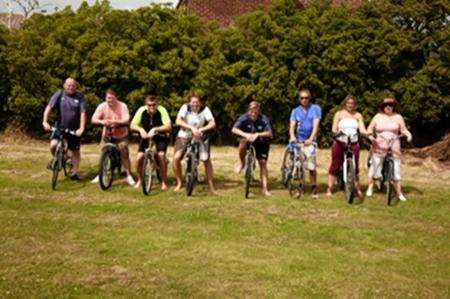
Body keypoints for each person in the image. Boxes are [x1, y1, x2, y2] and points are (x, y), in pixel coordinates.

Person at [366, 97, 412, 201]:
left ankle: (399, 193)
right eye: (386, 105)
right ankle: (370, 187)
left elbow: (404, 130)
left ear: (393, 106)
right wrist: (371, 137)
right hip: (379, 144)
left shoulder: (398, 117)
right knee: (375, 166)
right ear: (382, 107)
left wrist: (409, 135)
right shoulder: (377, 116)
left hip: (394, 144)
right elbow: (369, 129)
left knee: (396, 170)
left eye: (390, 105)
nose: (388, 107)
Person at [42, 78, 86, 180]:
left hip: (74, 129)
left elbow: (83, 113)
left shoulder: (80, 97)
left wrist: (81, 128)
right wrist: (45, 121)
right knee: (53, 145)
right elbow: (49, 107)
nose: (71, 87)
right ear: (64, 85)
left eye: (73, 85)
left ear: (76, 87)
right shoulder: (59, 94)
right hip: (60, 126)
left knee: (75, 151)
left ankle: (74, 173)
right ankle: (59, 159)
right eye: (68, 85)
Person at [173, 94, 217, 193]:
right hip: (184, 135)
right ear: (189, 103)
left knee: (206, 159)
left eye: (197, 102)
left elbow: (212, 123)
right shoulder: (185, 107)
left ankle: (211, 185)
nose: (195, 104)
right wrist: (191, 128)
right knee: (176, 158)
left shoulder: (205, 109)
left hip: (199, 136)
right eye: (193, 102)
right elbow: (178, 120)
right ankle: (179, 183)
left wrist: (202, 129)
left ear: (200, 103)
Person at [91, 89, 135, 186]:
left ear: (116, 97)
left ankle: (128, 175)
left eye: (112, 98)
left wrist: (116, 122)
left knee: (124, 152)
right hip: (107, 134)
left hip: (121, 134)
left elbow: (127, 119)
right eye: (108, 98)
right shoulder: (102, 106)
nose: (109, 100)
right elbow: (93, 119)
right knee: (103, 153)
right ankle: (101, 174)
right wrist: (101, 122)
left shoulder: (122, 106)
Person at [327, 95, 367, 197]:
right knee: (335, 165)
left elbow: (362, 128)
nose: (350, 105)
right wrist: (336, 133)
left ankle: (357, 189)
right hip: (340, 141)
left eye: (352, 103)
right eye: (348, 103)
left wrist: (365, 133)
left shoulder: (358, 115)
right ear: (345, 103)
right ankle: (329, 189)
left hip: (353, 141)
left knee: (355, 166)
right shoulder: (339, 114)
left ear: (355, 105)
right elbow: (334, 128)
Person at [232, 101, 273, 197]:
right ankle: (242, 163)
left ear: (259, 111)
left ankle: (264, 189)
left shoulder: (264, 119)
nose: (253, 113)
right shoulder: (244, 117)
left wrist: (257, 134)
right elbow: (234, 129)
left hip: (261, 141)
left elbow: (270, 133)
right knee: (242, 143)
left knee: (263, 163)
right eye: (251, 111)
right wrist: (246, 135)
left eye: (256, 111)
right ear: (248, 110)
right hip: (247, 139)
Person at [130, 95, 172, 190]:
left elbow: (169, 126)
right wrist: (140, 129)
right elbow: (132, 125)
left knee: (161, 155)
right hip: (146, 135)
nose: (152, 107)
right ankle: (140, 180)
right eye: (149, 105)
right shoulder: (141, 110)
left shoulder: (162, 110)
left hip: (160, 135)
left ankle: (164, 181)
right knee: (139, 158)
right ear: (146, 105)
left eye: (154, 105)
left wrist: (156, 129)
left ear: (157, 104)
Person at [289, 89, 321, 198]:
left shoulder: (315, 109)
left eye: (306, 98)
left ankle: (313, 186)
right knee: (299, 164)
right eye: (302, 98)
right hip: (299, 140)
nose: (304, 100)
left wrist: (311, 138)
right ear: (299, 99)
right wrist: (292, 136)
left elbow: (316, 126)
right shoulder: (295, 111)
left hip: (310, 140)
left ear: (309, 98)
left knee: (311, 165)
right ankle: (300, 186)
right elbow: (292, 126)